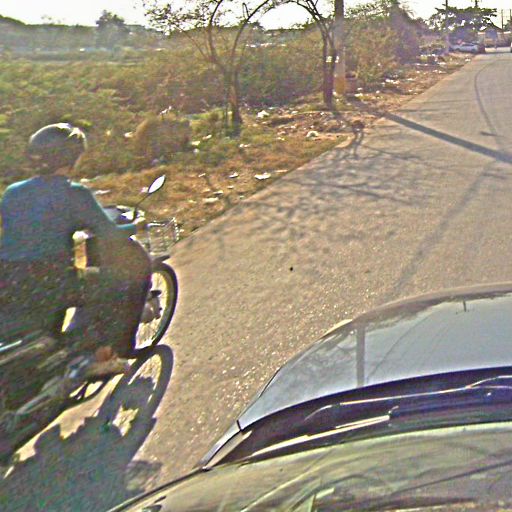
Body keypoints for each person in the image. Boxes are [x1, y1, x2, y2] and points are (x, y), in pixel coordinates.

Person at [0, 123, 149, 362]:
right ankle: (109, 351)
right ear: (72, 158)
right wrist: (136, 226)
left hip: (9, 280)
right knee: (121, 281)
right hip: (51, 280)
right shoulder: (74, 194)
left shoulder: (12, 193)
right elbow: (109, 234)